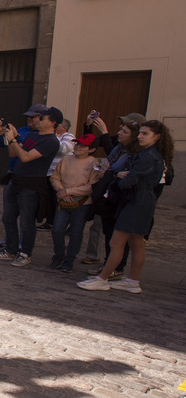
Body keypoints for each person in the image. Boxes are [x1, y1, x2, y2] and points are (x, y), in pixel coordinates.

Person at [78, 120, 173, 293]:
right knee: (136, 242)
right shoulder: (149, 154)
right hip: (139, 200)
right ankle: (132, 281)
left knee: (117, 242)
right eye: (140, 133)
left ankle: (103, 279)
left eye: (145, 133)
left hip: (138, 201)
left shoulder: (150, 156)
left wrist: (123, 177)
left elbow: (131, 179)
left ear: (157, 137)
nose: (140, 136)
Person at [0, 106, 62, 266]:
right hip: (16, 179)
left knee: (26, 221)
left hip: (32, 184)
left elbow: (25, 157)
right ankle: (10, 249)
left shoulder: (51, 141)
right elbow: (13, 153)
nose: (37, 120)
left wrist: (14, 139)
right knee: (8, 217)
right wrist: (9, 136)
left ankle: (25, 253)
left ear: (53, 123)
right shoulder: (33, 135)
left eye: (42, 118)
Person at [49, 133, 105, 272]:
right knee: (57, 230)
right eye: (77, 143)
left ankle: (69, 259)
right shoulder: (66, 160)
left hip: (82, 204)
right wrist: (62, 191)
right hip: (63, 201)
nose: (78, 147)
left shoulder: (95, 163)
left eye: (83, 145)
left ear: (91, 149)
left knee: (75, 232)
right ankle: (59, 255)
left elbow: (92, 186)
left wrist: (70, 192)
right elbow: (55, 178)